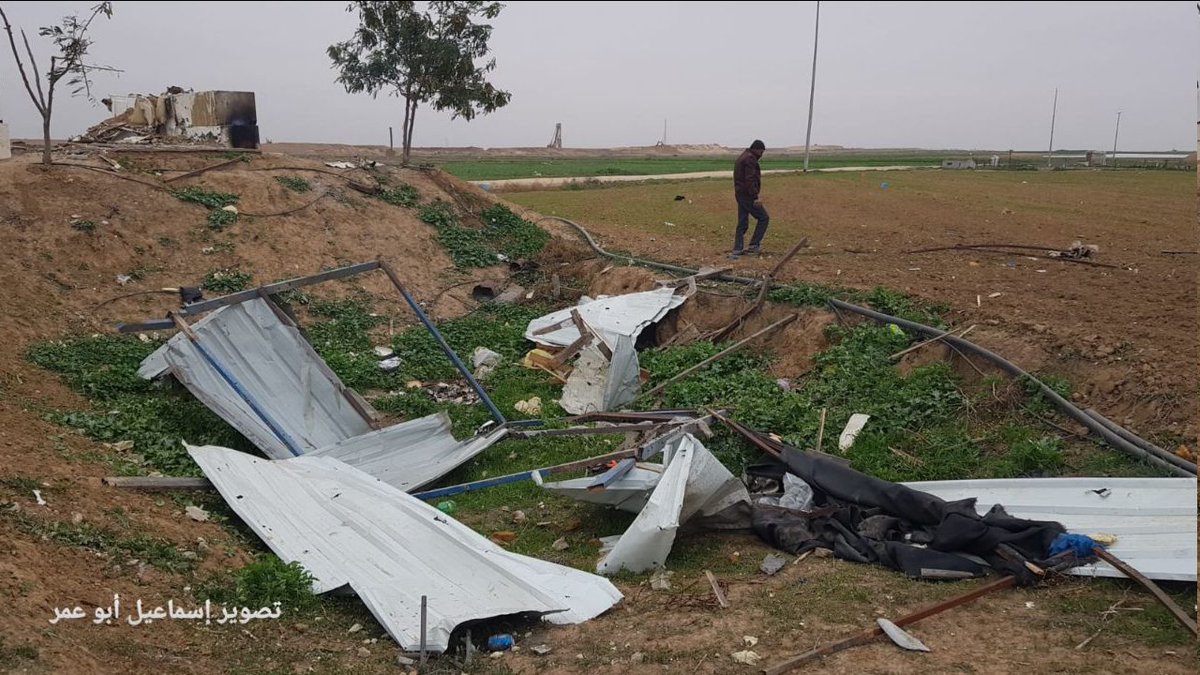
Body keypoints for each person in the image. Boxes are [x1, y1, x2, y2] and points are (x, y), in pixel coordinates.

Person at [730, 139, 769, 259]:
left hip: (740, 194)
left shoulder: (743, 156)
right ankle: (754, 245)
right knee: (764, 218)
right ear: (756, 149)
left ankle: (737, 248)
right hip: (747, 196)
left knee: (742, 222)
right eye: (761, 152)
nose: (761, 155)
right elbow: (750, 179)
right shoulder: (750, 159)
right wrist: (755, 197)